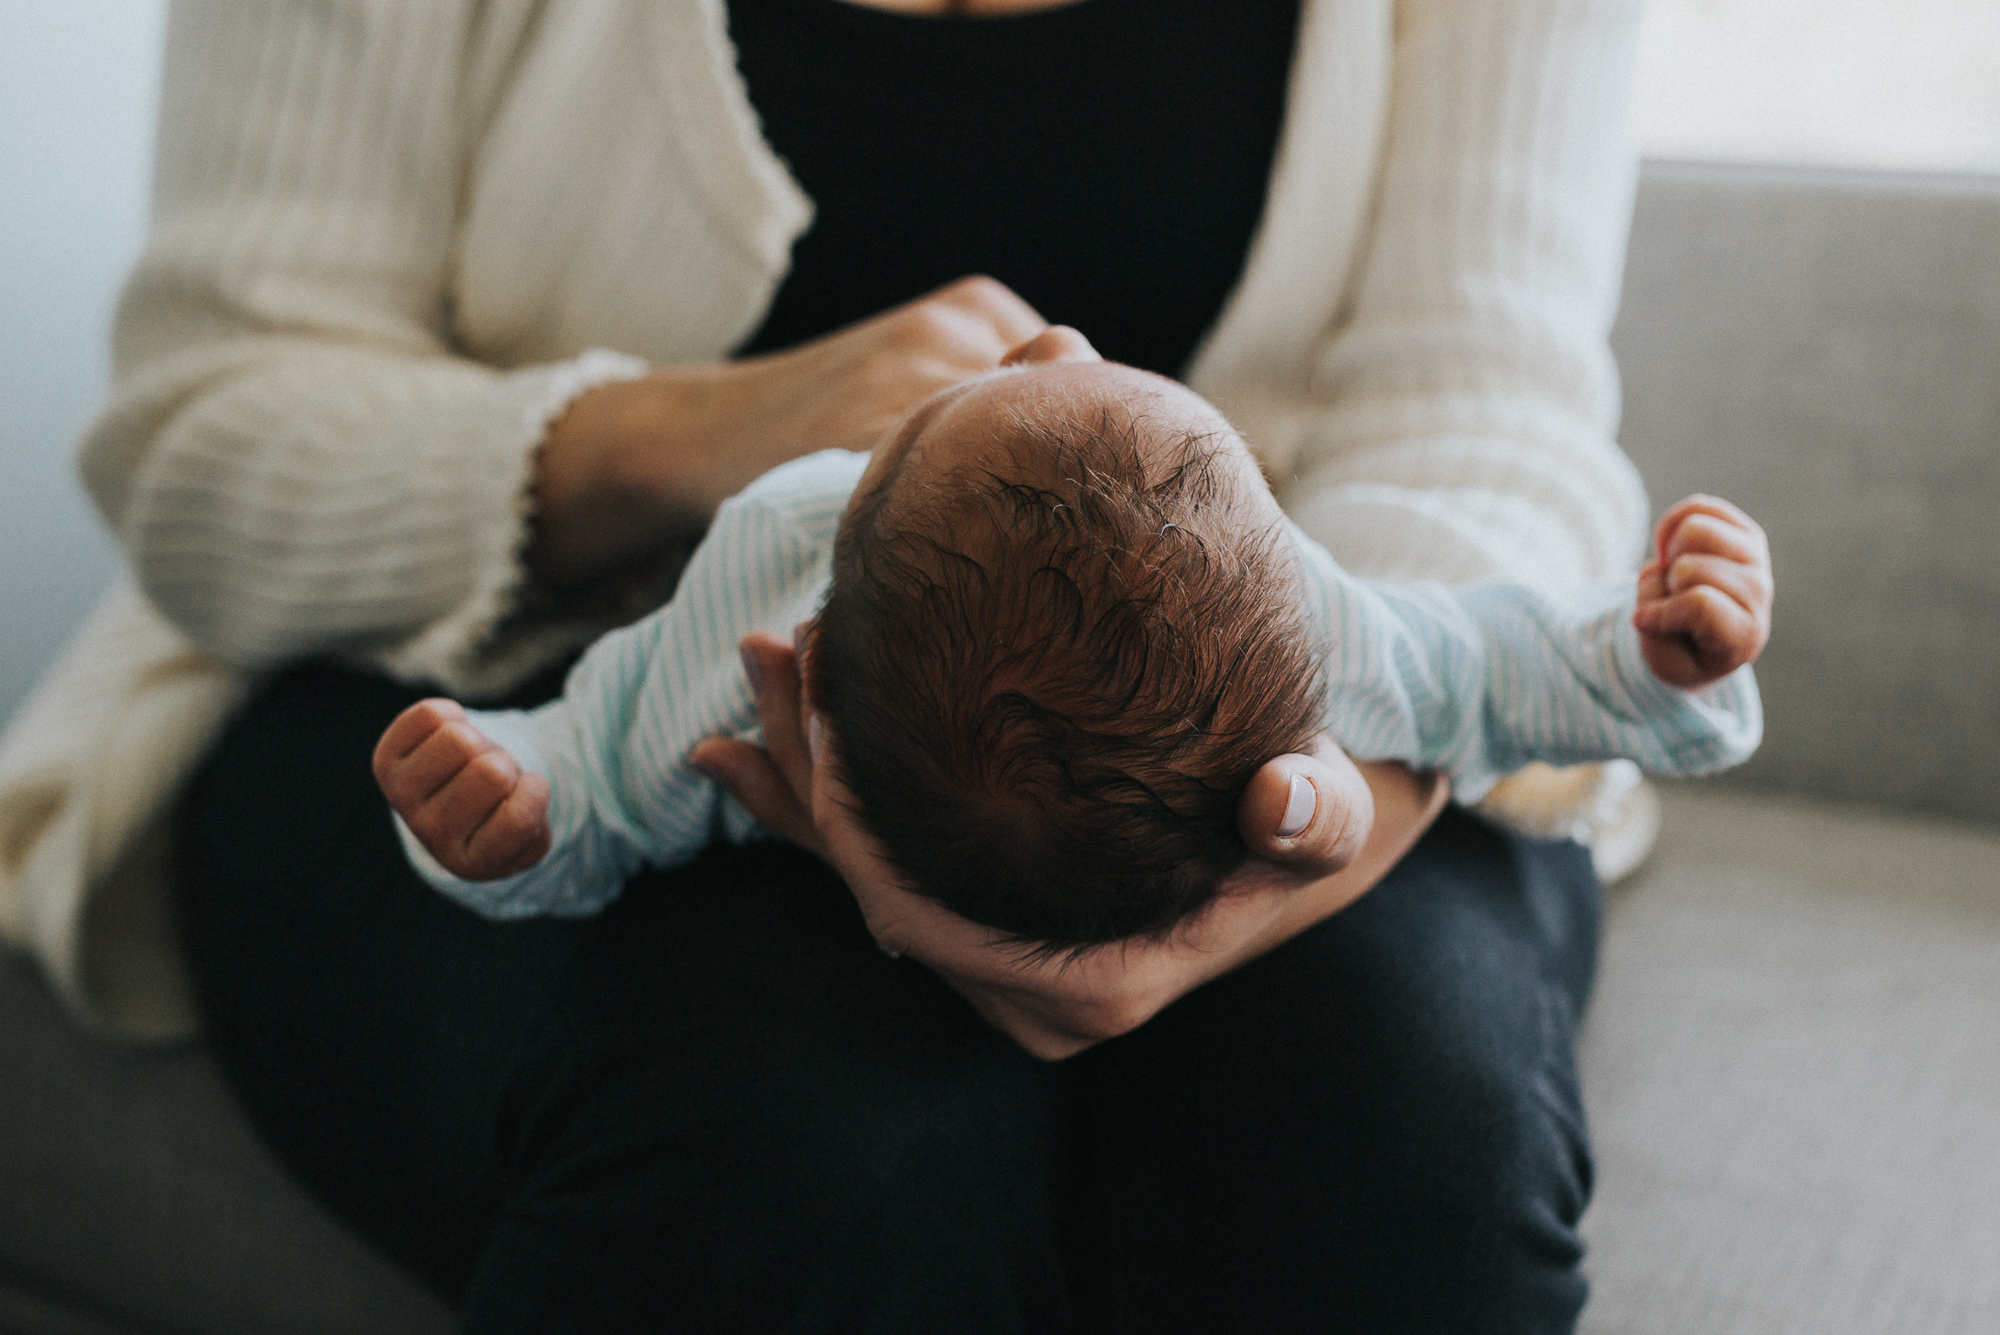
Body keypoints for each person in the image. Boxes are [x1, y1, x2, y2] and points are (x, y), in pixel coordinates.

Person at [8, 0, 1670, 1328]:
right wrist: (703, 434)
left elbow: (1488, 417)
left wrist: (1300, 809)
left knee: (1398, 1141)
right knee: (794, 1139)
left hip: (1292, 695)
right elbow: (203, 447)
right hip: (523, 671)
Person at [375, 346, 1767, 949]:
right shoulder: (1322, 629)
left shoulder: (782, 570)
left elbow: (607, 765)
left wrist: (515, 799)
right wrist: (1656, 665)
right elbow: (1508, 673)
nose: (1048, 339)